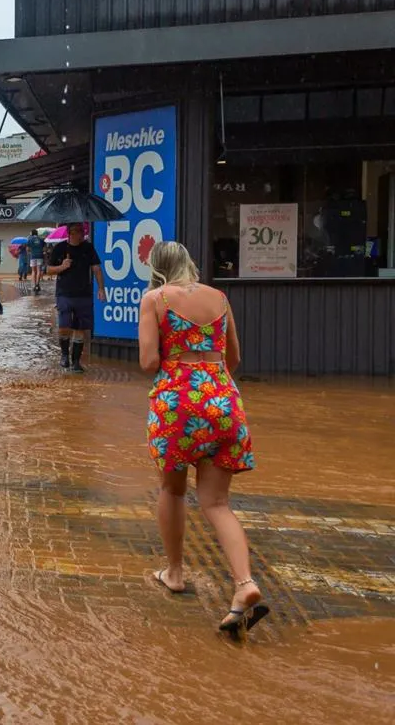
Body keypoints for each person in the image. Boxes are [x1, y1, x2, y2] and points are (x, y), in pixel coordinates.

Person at [139, 241, 267, 636]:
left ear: (156, 267)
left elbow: (148, 362)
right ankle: (245, 584)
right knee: (217, 502)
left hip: (178, 402)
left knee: (173, 491)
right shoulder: (219, 297)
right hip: (222, 399)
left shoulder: (154, 299)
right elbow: (234, 358)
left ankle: (175, 573)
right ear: (188, 263)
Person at [45, 223, 105, 372]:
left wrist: (101, 288)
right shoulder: (60, 249)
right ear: (70, 233)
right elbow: (48, 270)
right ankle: (64, 354)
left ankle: (76, 361)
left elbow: (96, 267)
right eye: (77, 232)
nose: (81, 235)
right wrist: (62, 267)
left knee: (80, 328)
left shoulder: (88, 248)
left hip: (84, 293)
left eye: (82, 231)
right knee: (64, 326)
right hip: (64, 293)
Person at [26, 229, 47, 293]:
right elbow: (45, 248)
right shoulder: (41, 239)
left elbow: (27, 249)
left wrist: (30, 252)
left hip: (33, 256)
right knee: (38, 270)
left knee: (33, 271)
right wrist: (43, 251)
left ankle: (34, 285)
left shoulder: (30, 239)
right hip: (40, 256)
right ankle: (37, 284)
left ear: (32, 233)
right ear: (37, 233)